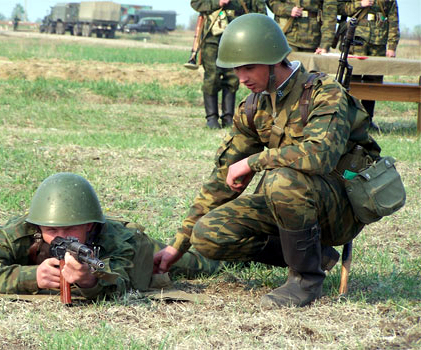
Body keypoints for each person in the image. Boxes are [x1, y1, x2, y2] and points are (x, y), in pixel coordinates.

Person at [154, 14, 381, 308]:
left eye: (249, 67)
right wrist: (177, 245)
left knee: (280, 178)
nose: (242, 78)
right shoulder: (253, 107)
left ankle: (305, 281)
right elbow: (222, 178)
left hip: (340, 205)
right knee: (207, 234)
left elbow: (319, 156)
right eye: (237, 70)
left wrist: (254, 162)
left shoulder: (325, 93)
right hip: (289, 203)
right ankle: (317, 255)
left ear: (275, 60)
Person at [0, 173, 223, 300]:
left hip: (138, 250)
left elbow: (124, 282)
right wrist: (31, 277)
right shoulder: (26, 229)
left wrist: (90, 280)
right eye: (52, 230)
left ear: (90, 225)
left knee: (200, 262)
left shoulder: (118, 239)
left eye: (70, 230)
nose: (59, 236)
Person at [191, 0, 267, 129]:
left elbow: (260, 12)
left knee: (233, 77)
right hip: (212, 38)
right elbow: (196, 3)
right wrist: (218, 2)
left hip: (239, 37)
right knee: (212, 77)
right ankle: (211, 118)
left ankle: (228, 117)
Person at [337, 0, 400, 130]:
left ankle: (367, 120)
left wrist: (392, 46)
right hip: (356, 39)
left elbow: (393, 19)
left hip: (379, 42)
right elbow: (340, 8)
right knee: (352, 79)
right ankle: (349, 119)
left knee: (373, 82)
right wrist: (360, 4)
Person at [267, 0, 338, 54]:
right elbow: (272, 2)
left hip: (312, 40)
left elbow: (330, 16)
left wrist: (325, 45)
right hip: (285, 37)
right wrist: (288, 10)